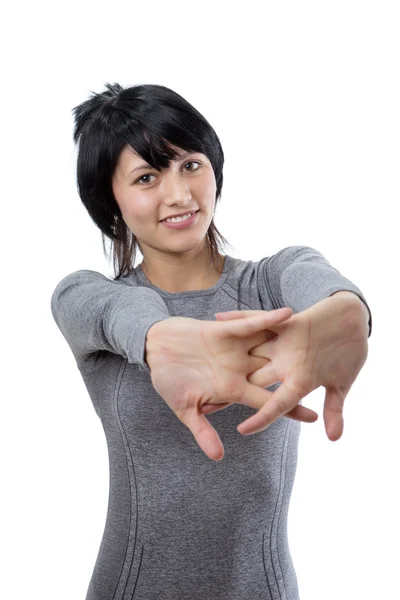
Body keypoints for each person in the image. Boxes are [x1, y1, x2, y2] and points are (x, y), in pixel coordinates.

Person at [50, 82, 372, 600]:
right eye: (147, 176)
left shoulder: (274, 282)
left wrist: (347, 311)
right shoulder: (93, 300)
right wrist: (159, 337)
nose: (178, 194)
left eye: (190, 165)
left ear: (215, 168)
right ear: (111, 200)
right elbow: (104, 308)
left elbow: (318, 278)